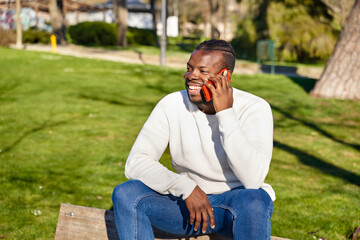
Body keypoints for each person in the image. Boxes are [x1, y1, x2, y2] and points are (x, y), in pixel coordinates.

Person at [112, 39, 275, 240]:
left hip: (236, 207)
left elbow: (253, 180)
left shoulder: (254, 108)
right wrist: (185, 187)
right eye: (189, 68)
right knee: (126, 194)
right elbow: (136, 163)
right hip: (188, 207)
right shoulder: (171, 104)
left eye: (203, 71)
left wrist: (225, 113)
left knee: (255, 200)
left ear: (225, 76)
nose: (191, 76)